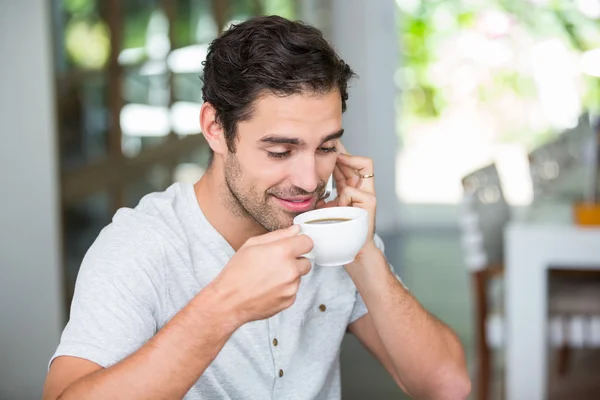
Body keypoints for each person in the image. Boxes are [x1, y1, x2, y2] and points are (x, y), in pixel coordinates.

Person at [43, 15, 470, 400]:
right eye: (281, 151)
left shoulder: (331, 224)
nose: (309, 179)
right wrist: (225, 305)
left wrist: (360, 250)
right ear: (215, 128)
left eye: (326, 147)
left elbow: (446, 386)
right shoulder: (139, 247)